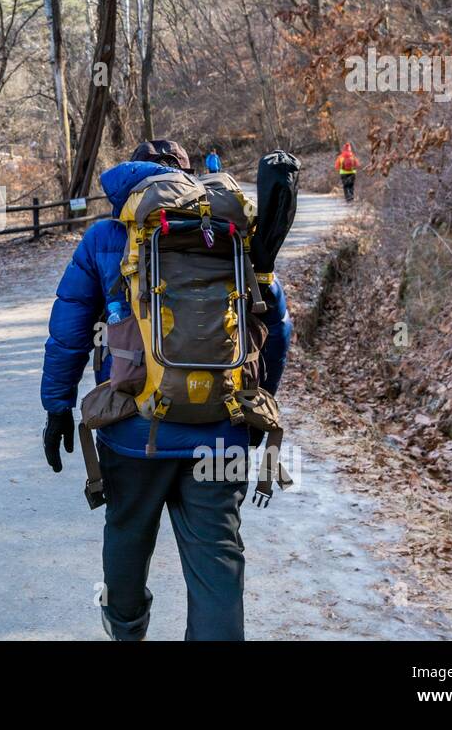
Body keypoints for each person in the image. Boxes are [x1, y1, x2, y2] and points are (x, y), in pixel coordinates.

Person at [40, 151, 294, 641]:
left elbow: (69, 332)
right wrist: (255, 406)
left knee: (127, 538)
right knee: (218, 562)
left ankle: (127, 628)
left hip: (134, 433)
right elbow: (275, 330)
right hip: (220, 431)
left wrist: (57, 407)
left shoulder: (106, 237)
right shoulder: (231, 236)